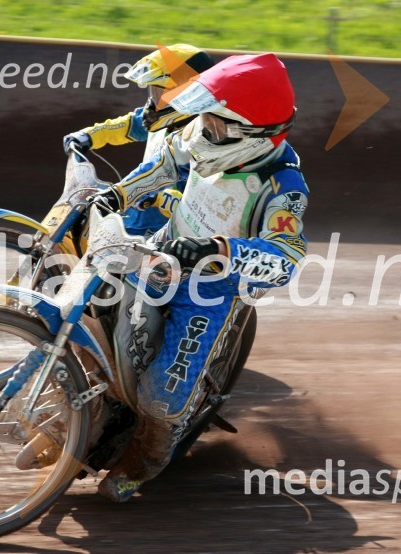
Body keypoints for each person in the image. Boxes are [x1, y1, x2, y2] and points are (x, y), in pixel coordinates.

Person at [90, 52, 309, 502]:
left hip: (211, 291)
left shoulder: (284, 188)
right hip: (161, 255)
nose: (203, 129)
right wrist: (118, 194)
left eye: (215, 123)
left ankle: (144, 461)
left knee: (161, 394)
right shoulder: (199, 133)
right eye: (204, 118)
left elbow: (286, 256)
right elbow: (167, 163)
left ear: (252, 133)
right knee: (101, 321)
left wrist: (219, 249)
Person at [63, 44, 215, 236]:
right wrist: (87, 136)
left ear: (188, 95)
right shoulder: (155, 122)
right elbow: (125, 125)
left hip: (166, 235)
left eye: (162, 94)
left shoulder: (205, 142)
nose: (154, 102)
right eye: (153, 92)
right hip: (132, 218)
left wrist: (160, 198)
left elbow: (200, 209)